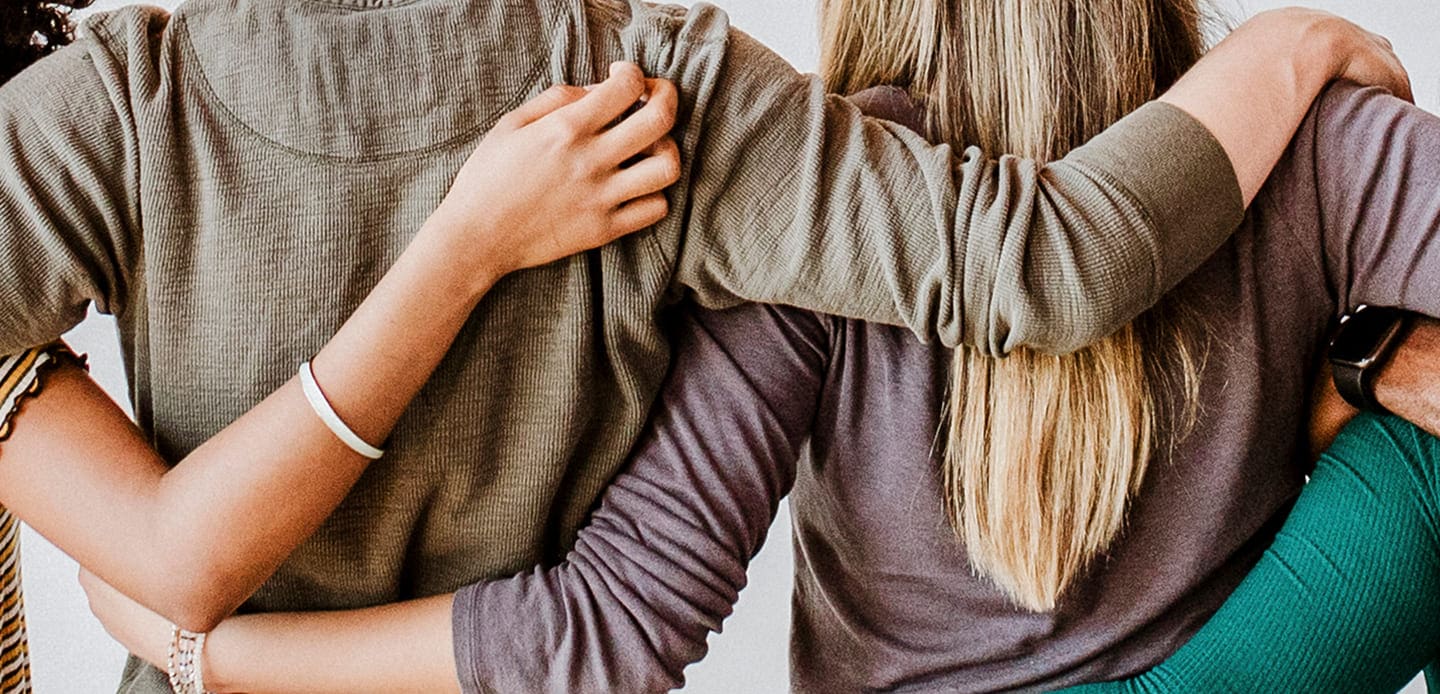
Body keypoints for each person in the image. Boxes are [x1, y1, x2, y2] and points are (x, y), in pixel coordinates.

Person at [0, 1, 1415, 693]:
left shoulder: (113, 111)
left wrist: (199, 649)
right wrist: (1287, 54)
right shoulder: (667, 98)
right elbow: (1042, 264)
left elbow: (602, 631)